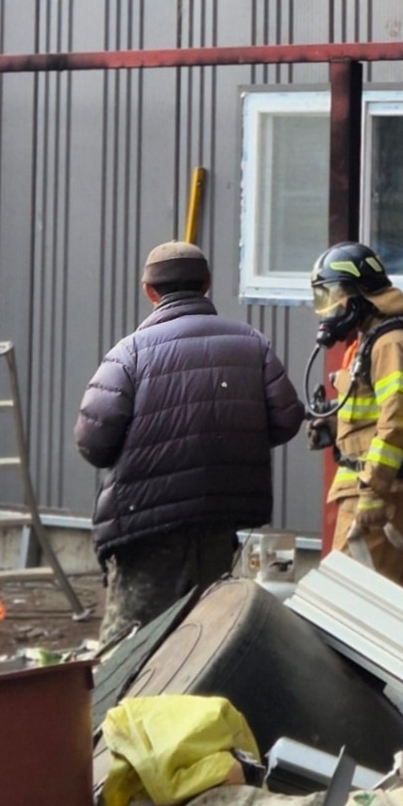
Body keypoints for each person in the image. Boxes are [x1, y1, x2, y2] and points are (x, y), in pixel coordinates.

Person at [75, 240, 305, 641]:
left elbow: (95, 443)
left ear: (150, 292)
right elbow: (286, 420)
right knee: (203, 638)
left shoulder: (128, 355)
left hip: (146, 525)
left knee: (131, 646)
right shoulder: (251, 343)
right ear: (207, 284)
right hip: (220, 517)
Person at [309, 242, 403, 597]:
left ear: (359, 295)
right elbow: (377, 415)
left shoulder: (390, 343)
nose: (329, 309)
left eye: (332, 296)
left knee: (348, 600)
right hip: (389, 490)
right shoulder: (374, 339)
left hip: (386, 494)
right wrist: (333, 427)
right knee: (397, 601)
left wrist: (373, 493)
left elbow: (399, 422)